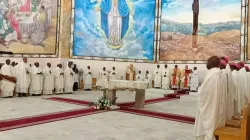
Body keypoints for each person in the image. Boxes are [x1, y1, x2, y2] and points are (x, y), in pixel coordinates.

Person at [193, 56, 224, 140]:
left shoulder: (212, 74)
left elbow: (204, 92)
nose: (207, 64)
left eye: (208, 62)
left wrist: (199, 89)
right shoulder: (218, 73)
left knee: (208, 125)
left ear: (212, 63)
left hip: (210, 105)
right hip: (215, 103)